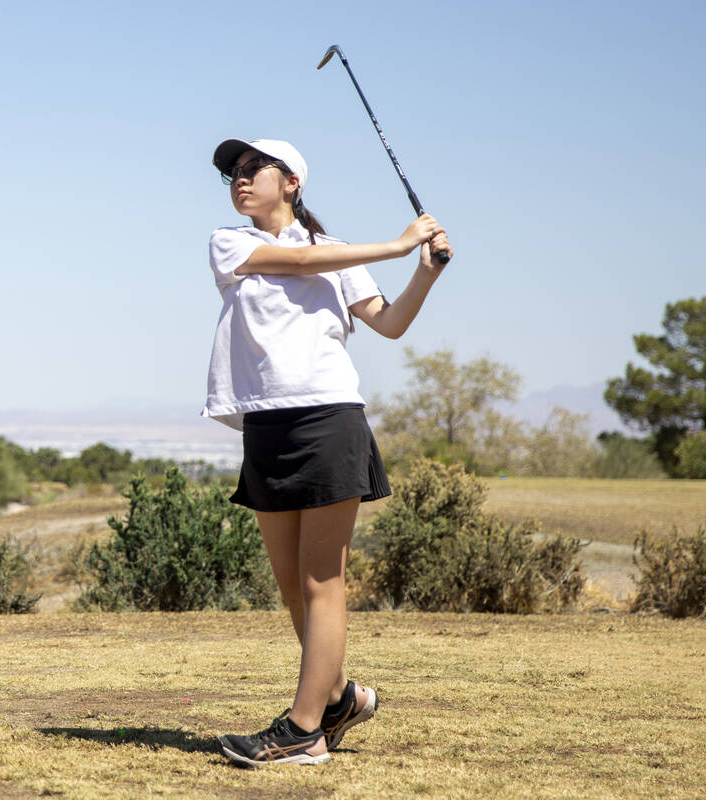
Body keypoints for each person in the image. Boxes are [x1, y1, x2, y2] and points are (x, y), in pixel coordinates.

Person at [204, 138, 452, 767]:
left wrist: (423, 269)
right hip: (265, 426)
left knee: (322, 582)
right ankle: (339, 697)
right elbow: (296, 266)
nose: (238, 178)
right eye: (233, 172)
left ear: (290, 182)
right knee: (291, 584)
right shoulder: (230, 243)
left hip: (328, 419)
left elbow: (390, 323)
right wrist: (396, 246)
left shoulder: (337, 255)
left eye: (251, 168)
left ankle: (304, 728)